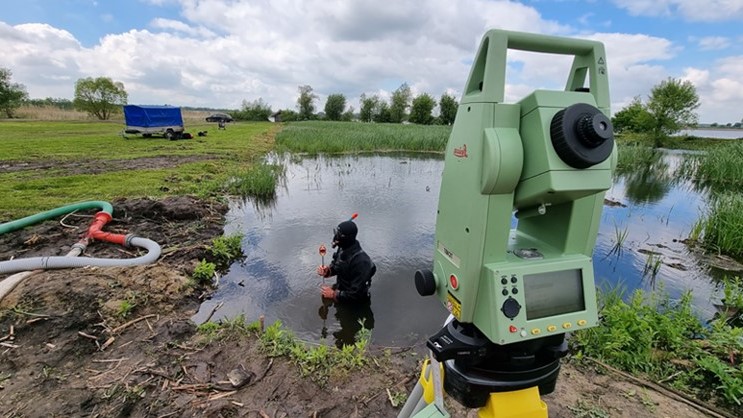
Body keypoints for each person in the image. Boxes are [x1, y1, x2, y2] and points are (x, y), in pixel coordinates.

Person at [316, 220, 376, 347]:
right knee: (342, 318)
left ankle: (349, 340)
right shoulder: (342, 249)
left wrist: (333, 295)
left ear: (347, 238)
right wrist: (327, 271)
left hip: (356, 304)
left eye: (339, 235)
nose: (335, 239)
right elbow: (336, 267)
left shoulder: (361, 262)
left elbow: (356, 294)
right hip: (342, 292)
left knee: (351, 326)